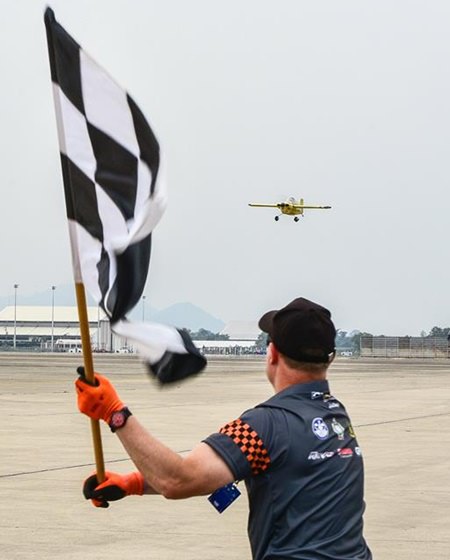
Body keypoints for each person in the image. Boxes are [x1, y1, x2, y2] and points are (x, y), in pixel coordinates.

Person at [76, 297, 372, 560]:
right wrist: (134, 483)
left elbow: (178, 480)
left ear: (272, 354)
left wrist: (115, 413)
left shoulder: (263, 427)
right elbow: (221, 472)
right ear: (329, 360)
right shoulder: (337, 418)